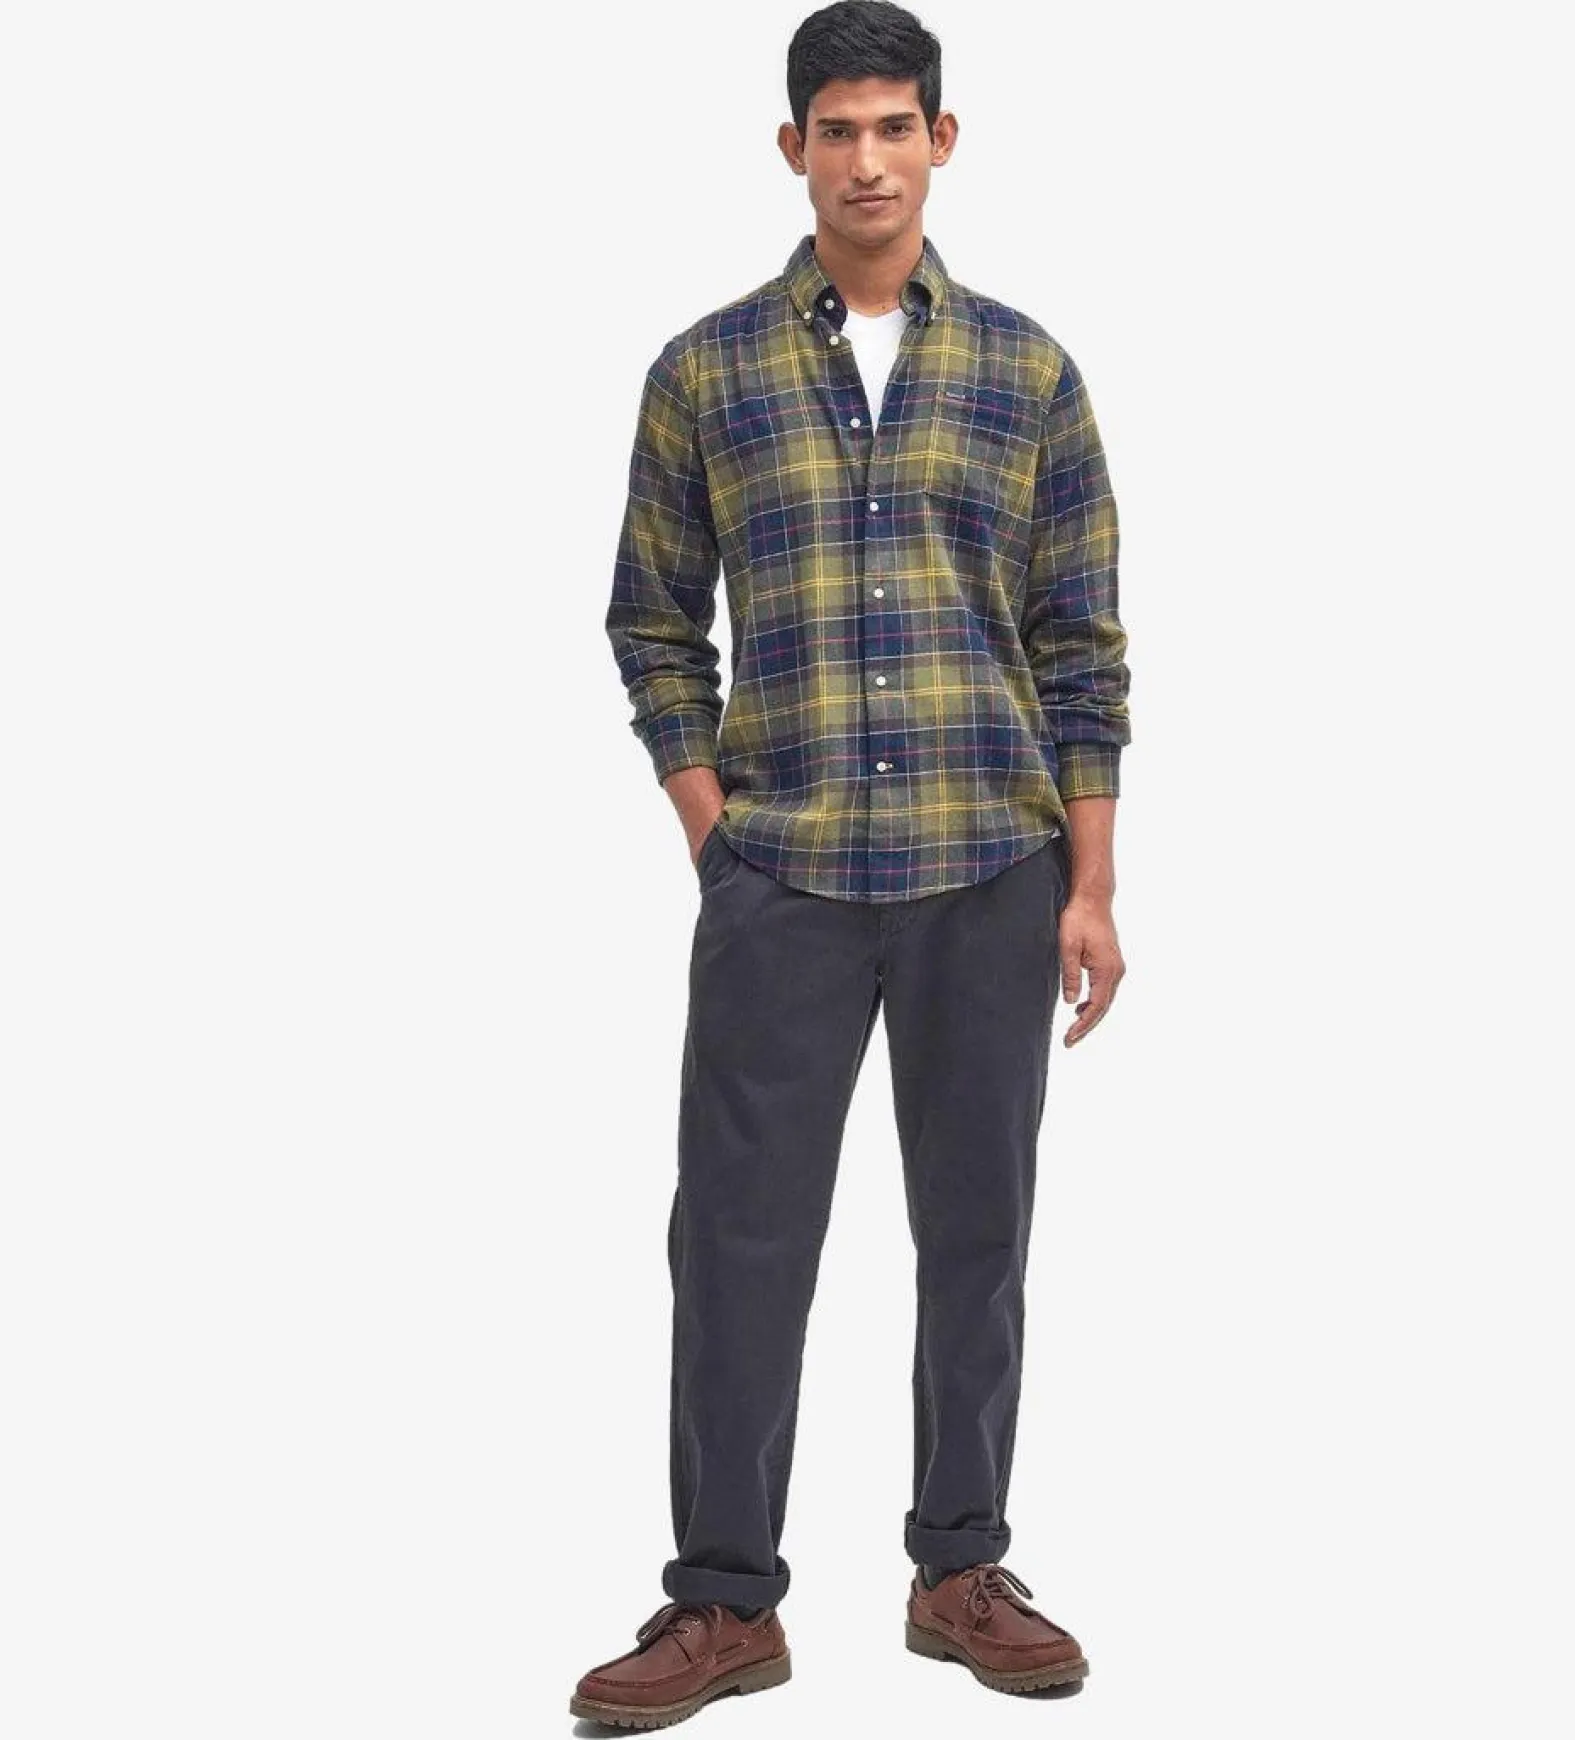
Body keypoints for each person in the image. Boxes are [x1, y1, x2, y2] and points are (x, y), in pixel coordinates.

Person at [572, 1, 1132, 1724]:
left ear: (941, 142)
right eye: (838, 130)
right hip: (787, 878)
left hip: (989, 867)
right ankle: (723, 1601)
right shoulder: (707, 371)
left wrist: (1092, 886)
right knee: (737, 1241)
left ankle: (960, 1569)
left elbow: (1081, 645)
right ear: (793, 148)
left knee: (979, 1237)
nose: (868, 160)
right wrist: (715, 832)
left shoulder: (1028, 373)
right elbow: (652, 623)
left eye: (897, 126)